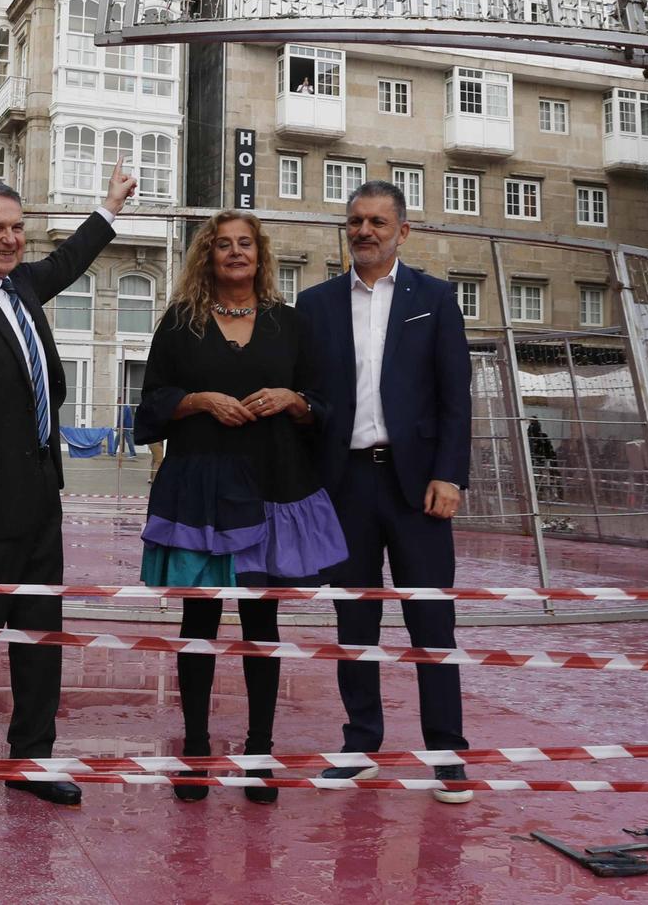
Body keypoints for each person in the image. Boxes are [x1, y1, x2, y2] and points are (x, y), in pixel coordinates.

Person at [0, 164, 136, 818]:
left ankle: (31, 757)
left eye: (17, 228)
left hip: (40, 498)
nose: (10, 240)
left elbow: (67, 259)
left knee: (41, 640)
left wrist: (110, 207)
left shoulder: (21, 286)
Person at [134, 211, 346, 804]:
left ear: (261, 253)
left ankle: (259, 752)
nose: (234, 253)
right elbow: (149, 407)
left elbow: (323, 406)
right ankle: (196, 751)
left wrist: (294, 399)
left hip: (274, 485)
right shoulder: (180, 324)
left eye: (244, 244)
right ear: (208, 256)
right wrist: (197, 400)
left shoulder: (289, 325)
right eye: (223, 245)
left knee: (262, 623)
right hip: (200, 487)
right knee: (198, 622)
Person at [296, 181, 476, 803]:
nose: (364, 231)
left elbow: (456, 398)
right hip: (346, 484)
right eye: (355, 222)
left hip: (419, 486)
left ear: (404, 231)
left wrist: (450, 475)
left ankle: (446, 753)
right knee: (355, 621)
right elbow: (309, 400)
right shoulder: (314, 305)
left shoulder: (436, 299)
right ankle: (358, 746)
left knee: (432, 620)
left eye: (377, 222)